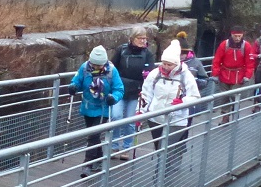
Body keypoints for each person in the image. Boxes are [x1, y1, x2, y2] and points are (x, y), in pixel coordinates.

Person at [138, 40, 201, 177]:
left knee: (164, 150)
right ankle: (164, 174)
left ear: (176, 63)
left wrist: (182, 101)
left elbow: (195, 96)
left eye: (169, 64)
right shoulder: (155, 73)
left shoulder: (186, 76)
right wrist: (140, 113)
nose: (165, 67)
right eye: (164, 63)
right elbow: (146, 93)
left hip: (177, 120)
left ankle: (158, 181)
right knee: (160, 149)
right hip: (156, 117)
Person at [68, 46, 124, 177]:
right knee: (94, 136)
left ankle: (87, 164)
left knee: (92, 135)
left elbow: (119, 89)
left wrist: (113, 97)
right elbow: (77, 81)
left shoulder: (112, 71)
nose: (96, 67)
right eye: (94, 64)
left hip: (103, 108)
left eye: (99, 65)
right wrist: (73, 87)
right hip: (88, 106)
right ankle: (99, 157)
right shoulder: (84, 68)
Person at [110, 27, 154, 158]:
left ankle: (126, 147)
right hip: (120, 90)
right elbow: (112, 67)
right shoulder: (121, 50)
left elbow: (150, 72)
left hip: (136, 91)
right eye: (140, 38)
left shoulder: (148, 54)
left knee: (130, 120)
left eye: (145, 38)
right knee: (116, 117)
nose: (143, 41)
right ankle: (114, 145)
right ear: (132, 38)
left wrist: (146, 78)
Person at [212, 25, 257, 118]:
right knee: (224, 96)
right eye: (235, 36)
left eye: (239, 36)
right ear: (231, 35)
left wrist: (247, 76)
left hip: (238, 75)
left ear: (242, 35)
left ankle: (235, 111)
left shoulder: (246, 46)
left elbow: (250, 63)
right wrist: (215, 74)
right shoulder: (224, 44)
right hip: (224, 74)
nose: (237, 38)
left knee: (234, 95)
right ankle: (225, 116)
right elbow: (217, 60)